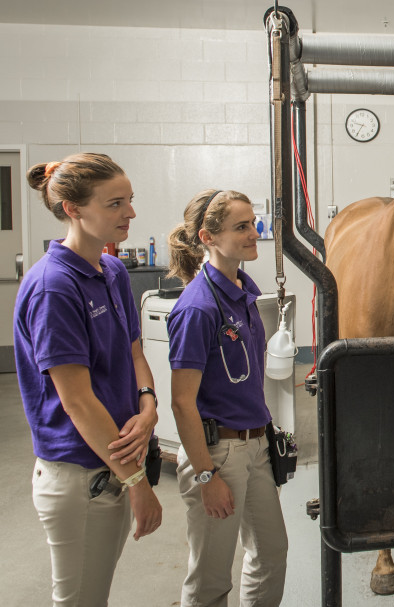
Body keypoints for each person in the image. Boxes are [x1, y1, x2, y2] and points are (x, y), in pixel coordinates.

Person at [14, 153, 162, 606]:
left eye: (130, 201)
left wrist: (148, 402)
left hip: (114, 464)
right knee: (80, 598)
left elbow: (134, 350)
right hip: (81, 475)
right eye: (115, 203)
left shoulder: (112, 270)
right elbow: (76, 401)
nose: (131, 213)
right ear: (73, 208)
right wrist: (137, 483)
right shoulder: (53, 286)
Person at [167, 189, 287, 607]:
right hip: (218, 453)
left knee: (271, 553)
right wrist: (206, 476)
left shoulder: (243, 293)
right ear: (208, 237)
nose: (254, 233)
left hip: (256, 446)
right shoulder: (197, 308)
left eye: (253, 223)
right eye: (241, 226)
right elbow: (182, 402)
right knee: (211, 579)